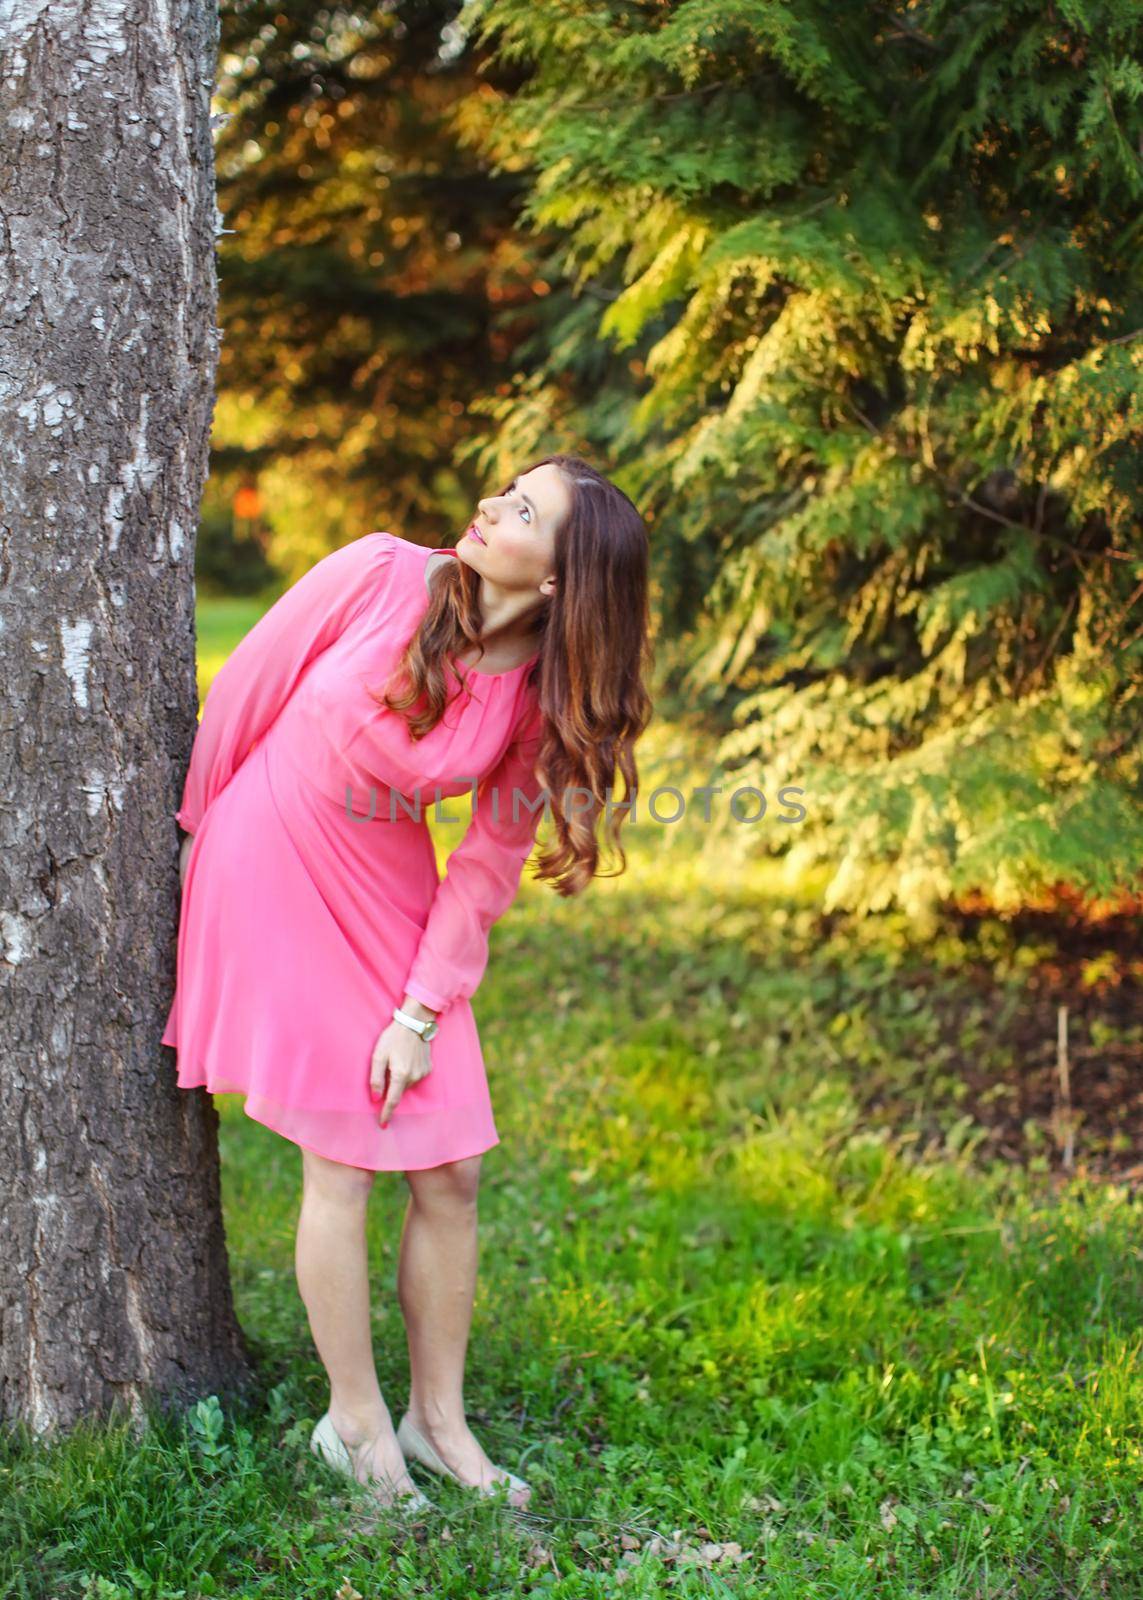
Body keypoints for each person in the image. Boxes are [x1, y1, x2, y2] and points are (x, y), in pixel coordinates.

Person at [162, 453, 653, 1512]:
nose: (489, 506)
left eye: (524, 509)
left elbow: (485, 860)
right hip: (274, 851)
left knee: (453, 1169)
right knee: (344, 1157)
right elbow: (248, 684)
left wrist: (423, 1008)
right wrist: (196, 837)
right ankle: (353, 1422)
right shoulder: (382, 573)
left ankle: (439, 1421)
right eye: (502, 490)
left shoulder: (538, 692)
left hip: (393, 883)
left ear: (566, 575)